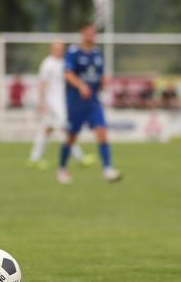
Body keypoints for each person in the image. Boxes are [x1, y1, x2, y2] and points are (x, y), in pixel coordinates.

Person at [56, 23, 122, 184]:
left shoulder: (97, 54)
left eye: (94, 32)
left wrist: (104, 82)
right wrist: (81, 85)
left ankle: (107, 170)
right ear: (82, 33)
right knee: (71, 137)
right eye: (89, 32)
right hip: (76, 103)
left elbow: (100, 80)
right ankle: (62, 168)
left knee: (101, 131)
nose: (92, 35)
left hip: (93, 102)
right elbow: (67, 74)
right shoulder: (73, 52)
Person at [27, 42, 94, 171]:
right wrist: (41, 101)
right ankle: (79, 157)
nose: (59, 50)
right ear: (51, 49)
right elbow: (42, 82)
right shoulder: (48, 63)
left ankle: (33, 158)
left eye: (61, 48)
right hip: (52, 102)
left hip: (62, 100)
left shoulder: (64, 62)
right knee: (66, 126)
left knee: (47, 129)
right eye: (57, 48)